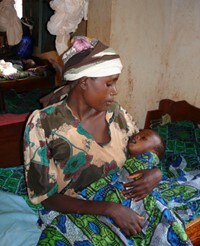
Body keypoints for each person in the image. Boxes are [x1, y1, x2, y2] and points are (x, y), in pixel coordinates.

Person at [24, 36, 191, 245]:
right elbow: (45, 196)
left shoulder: (117, 115)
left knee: (168, 227)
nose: (115, 91)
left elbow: (145, 151)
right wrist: (110, 209)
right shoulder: (43, 124)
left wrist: (155, 173)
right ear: (84, 82)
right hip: (76, 210)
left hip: (124, 199)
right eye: (109, 83)